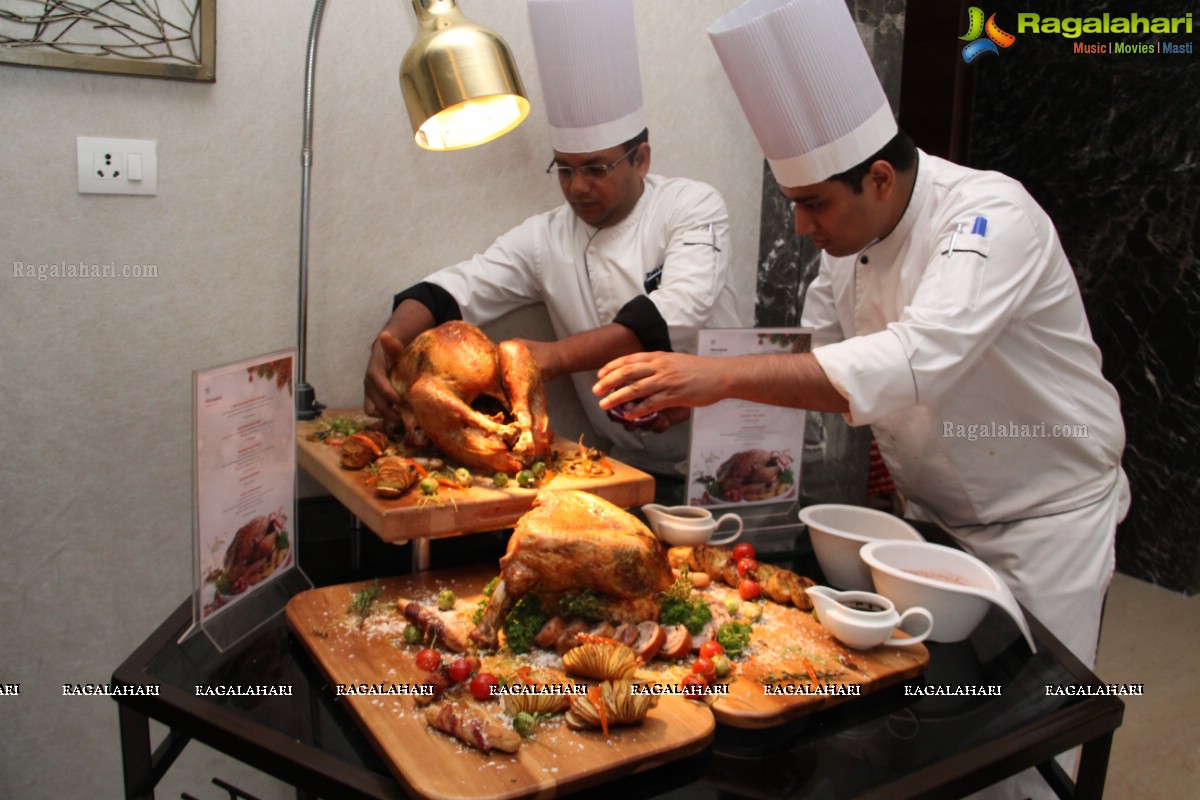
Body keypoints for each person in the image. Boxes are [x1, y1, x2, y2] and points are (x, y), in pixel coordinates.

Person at [596, 0, 1128, 676]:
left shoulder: (991, 218)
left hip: (1042, 526)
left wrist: (716, 375)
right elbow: (814, 360)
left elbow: (916, 357)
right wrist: (705, 398)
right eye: (792, 202)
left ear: (878, 178)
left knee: (1023, 733)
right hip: (929, 516)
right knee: (939, 712)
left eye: (813, 202)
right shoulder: (852, 241)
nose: (798, 226)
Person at [363, 0, 741, 499]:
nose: (578, 187)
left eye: (596, 167)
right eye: (564, 169)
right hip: (620, 468)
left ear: (641, 158)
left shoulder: (692, 206)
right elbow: (449, 290)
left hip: (732, 459)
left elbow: (674, 315)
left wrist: (552, 357)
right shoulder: (547, 237)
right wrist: (388, 341)